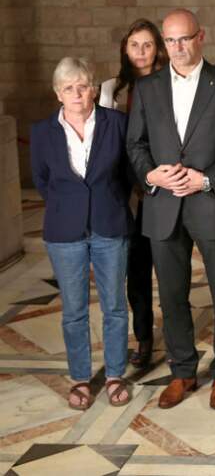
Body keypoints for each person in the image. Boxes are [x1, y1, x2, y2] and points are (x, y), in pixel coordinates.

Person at [126, 9, 215, 410]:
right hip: (163, 206)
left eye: (184, 39)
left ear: (201, 37)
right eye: (170, 40)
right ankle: (183, 371)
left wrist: (205, 179)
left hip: (212, 202)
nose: (177, 48)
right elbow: (136, 145)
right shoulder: (147, 88)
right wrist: (152, 176)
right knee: (172, 296)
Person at [31, 57, 134, 410]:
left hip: (110, 223)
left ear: (93, 88)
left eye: (83, 86)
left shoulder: (117, 123)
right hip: (64, 231)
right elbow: (43, 181)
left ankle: (116, 373)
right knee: (74, 310)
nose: (77, 93)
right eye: (68, 88)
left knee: (115, 306)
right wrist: (71, 206)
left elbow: (128, 173)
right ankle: (79, 377)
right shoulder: (42, 132)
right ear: (58, 93)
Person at [99, 19, 168, 369]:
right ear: (125, 49)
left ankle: (177, 334)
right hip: (129, 193)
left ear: (158, 47)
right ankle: (143, 338)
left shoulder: (173, 81)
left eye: (147, 44)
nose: (141, 52)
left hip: (167, 187)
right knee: (136, 271)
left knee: (172, 267)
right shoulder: (112, 89)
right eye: (134, 45)